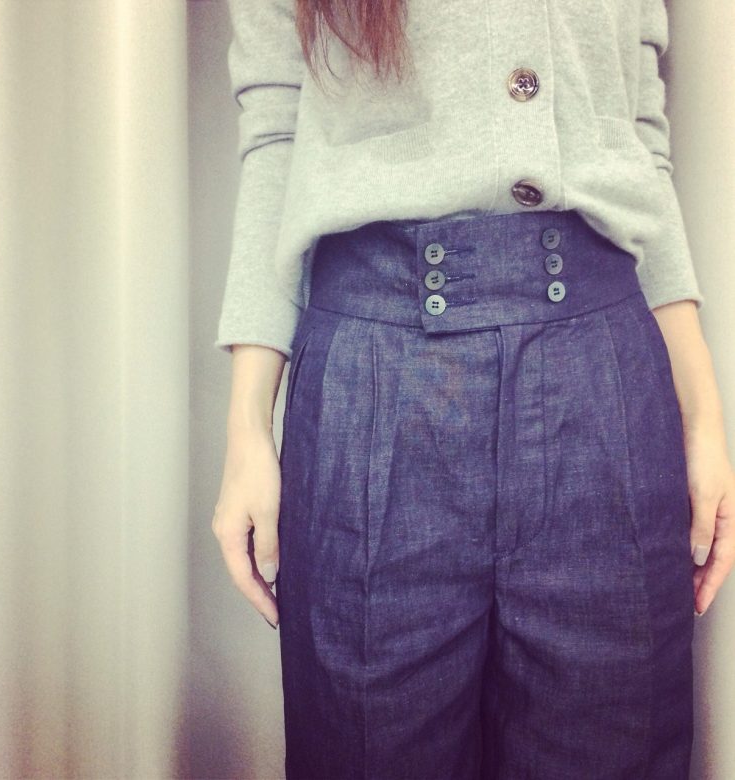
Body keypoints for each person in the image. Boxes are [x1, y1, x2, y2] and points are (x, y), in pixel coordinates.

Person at [212, 1, 735, 777]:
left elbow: (637, 137)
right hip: (377, 387)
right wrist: (247, 427)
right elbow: (276, 136)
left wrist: (703, 418)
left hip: (603, 385)